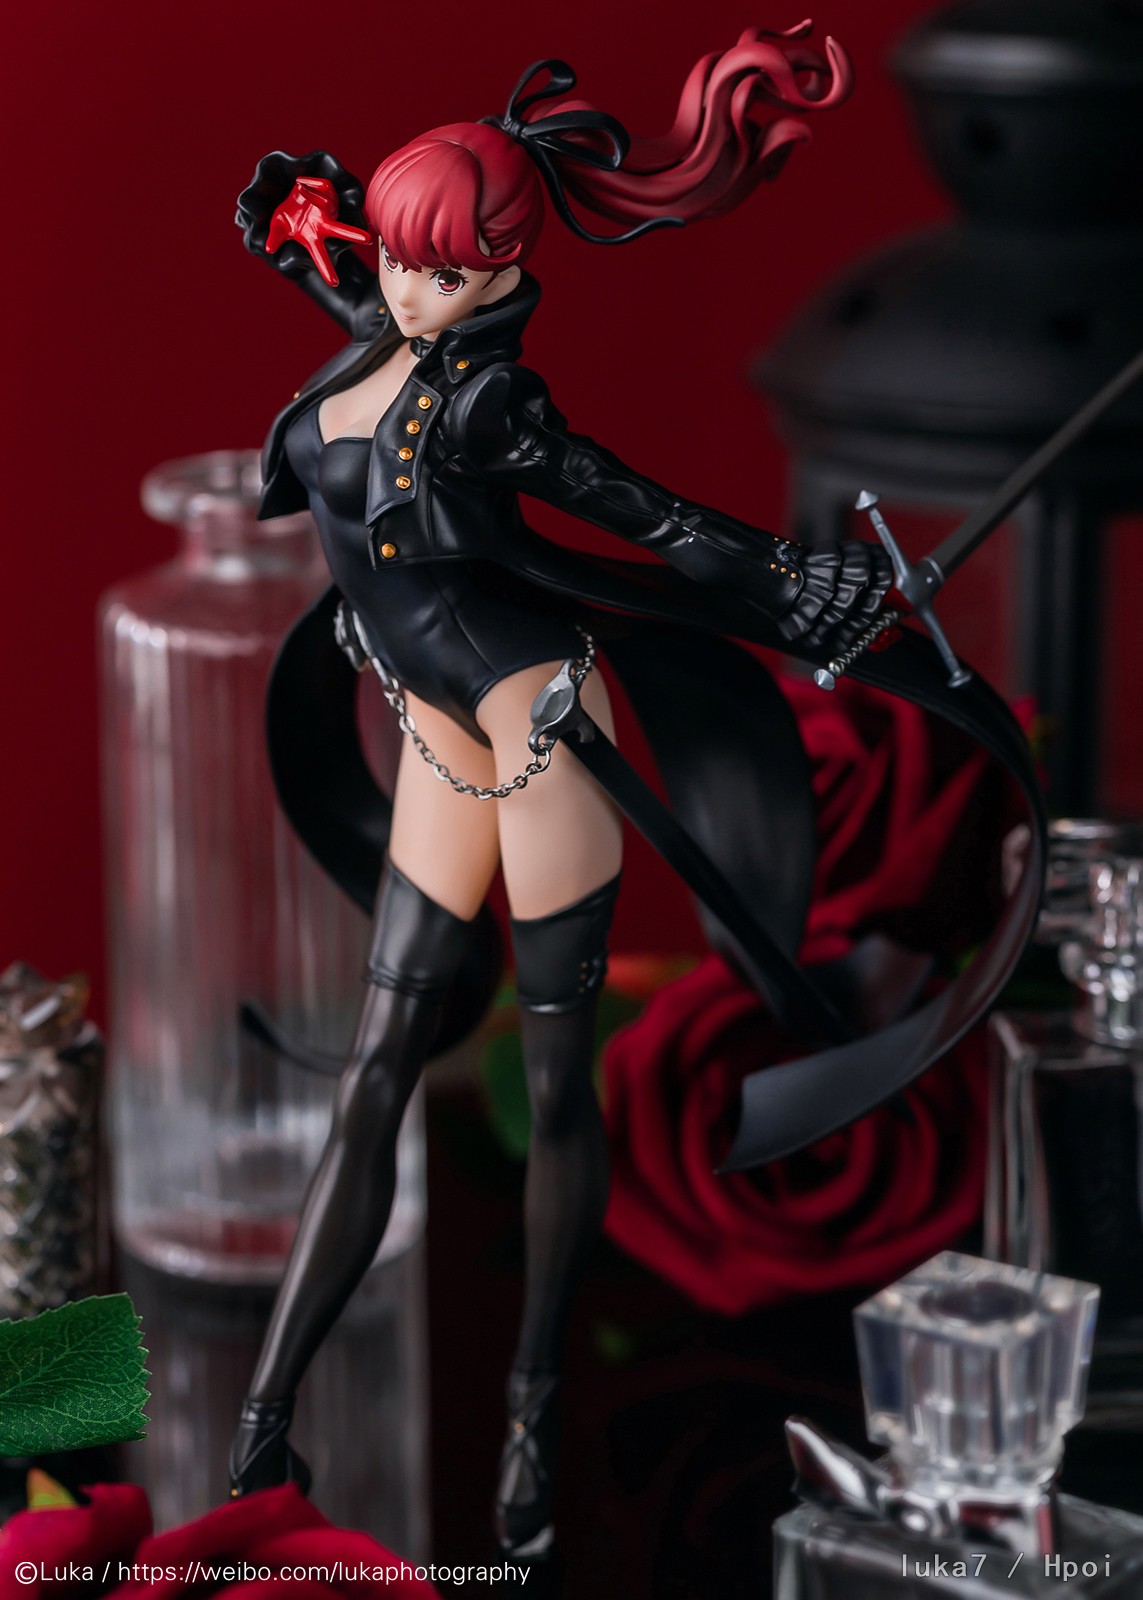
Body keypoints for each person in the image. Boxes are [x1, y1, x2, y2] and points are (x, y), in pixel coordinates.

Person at [228, 28, 1042, 1557]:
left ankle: (534, 1409)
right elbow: (336, 265)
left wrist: (802, 582)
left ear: (499, 272)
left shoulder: (492, 407)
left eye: (444, 271)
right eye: (399, 261)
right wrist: (318, 224)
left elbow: (646, 513)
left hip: (536, 719)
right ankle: (263, 1424)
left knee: (554, 1088)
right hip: (429, 723)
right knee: (378, 1068)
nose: (411, 291)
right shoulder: (368, 329)